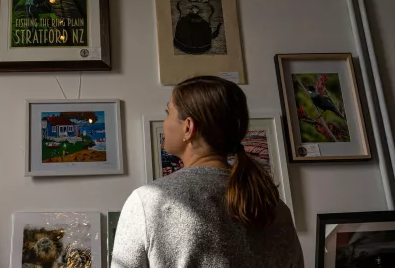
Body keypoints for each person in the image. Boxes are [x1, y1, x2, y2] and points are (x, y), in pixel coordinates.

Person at [111, 76, 303, 268]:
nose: (165, 121)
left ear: (188, 127)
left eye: (168, 112)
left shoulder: (148, 202)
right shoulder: (274, 206)